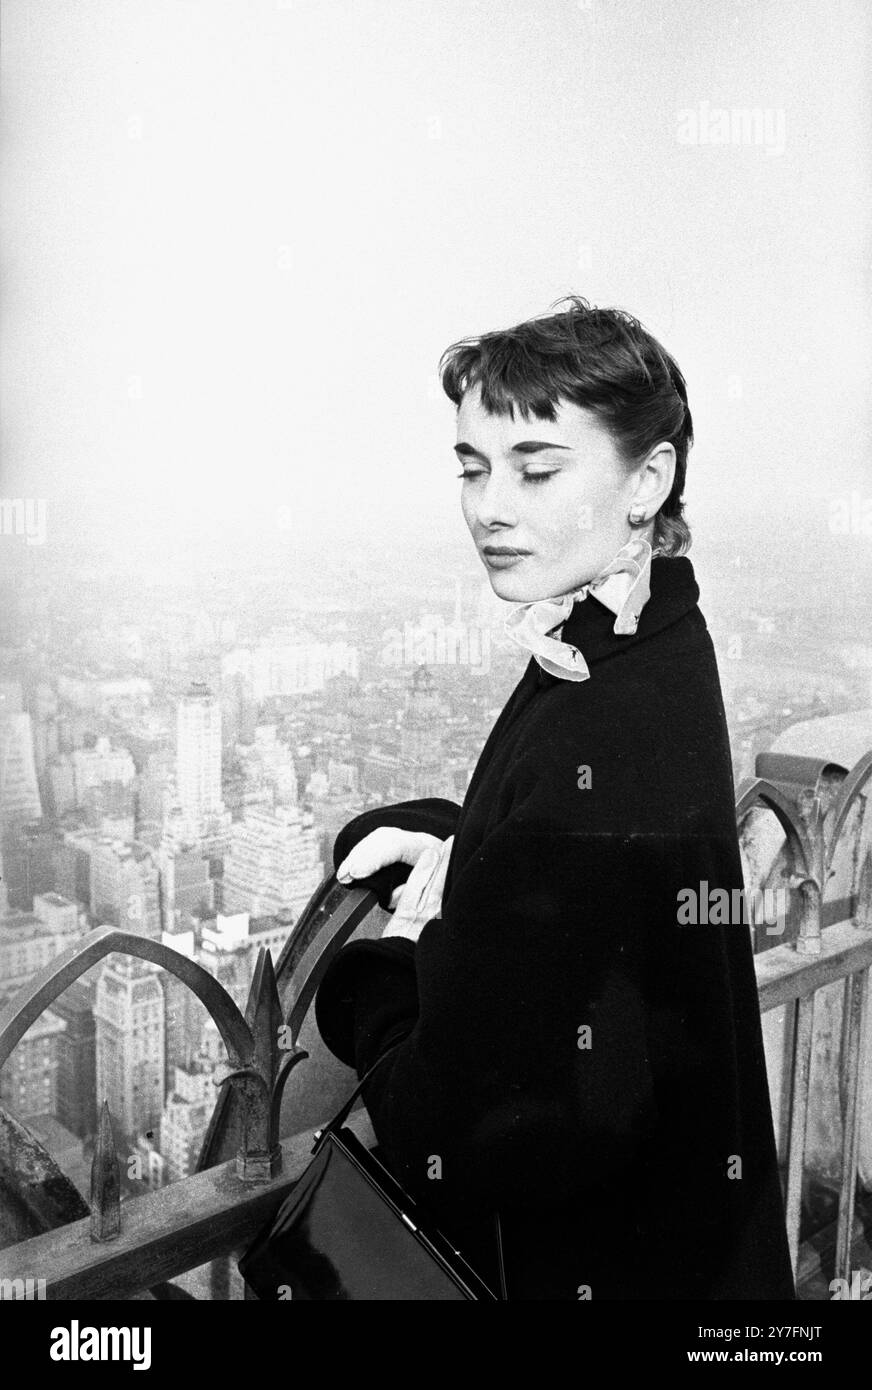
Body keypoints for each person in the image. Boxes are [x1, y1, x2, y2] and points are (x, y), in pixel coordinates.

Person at [314, 296, 796, 1301]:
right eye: (471, 466)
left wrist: (377, 977)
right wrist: (465, 841)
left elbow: (463, 1125)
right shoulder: (648, 639)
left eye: (535, 468)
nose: (488, 504)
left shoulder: (607, 707)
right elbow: (580, 877)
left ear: (646, 479)